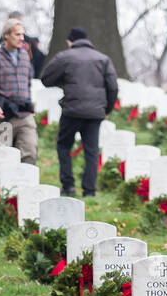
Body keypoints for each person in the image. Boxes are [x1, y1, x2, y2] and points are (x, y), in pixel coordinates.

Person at [40, 26, 117, 197]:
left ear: (70, 41)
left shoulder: (65, 56)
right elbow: (113, 87)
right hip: (95, 112)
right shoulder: (103, 59)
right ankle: (89, 190)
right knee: (91, 150)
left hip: (72, 110)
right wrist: (106, 109)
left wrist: (63, 80)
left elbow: (46, 78)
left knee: (64, 145)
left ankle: (68, 186)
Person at [0, 17, 37, 165]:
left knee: (29, 153)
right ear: (6, 35)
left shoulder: (25, 56)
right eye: (17, 34)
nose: (21, 38)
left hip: (23, 114)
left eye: (23, 35)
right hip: (2, 115)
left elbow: (28, 83)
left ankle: (24, 188)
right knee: (1, 158)